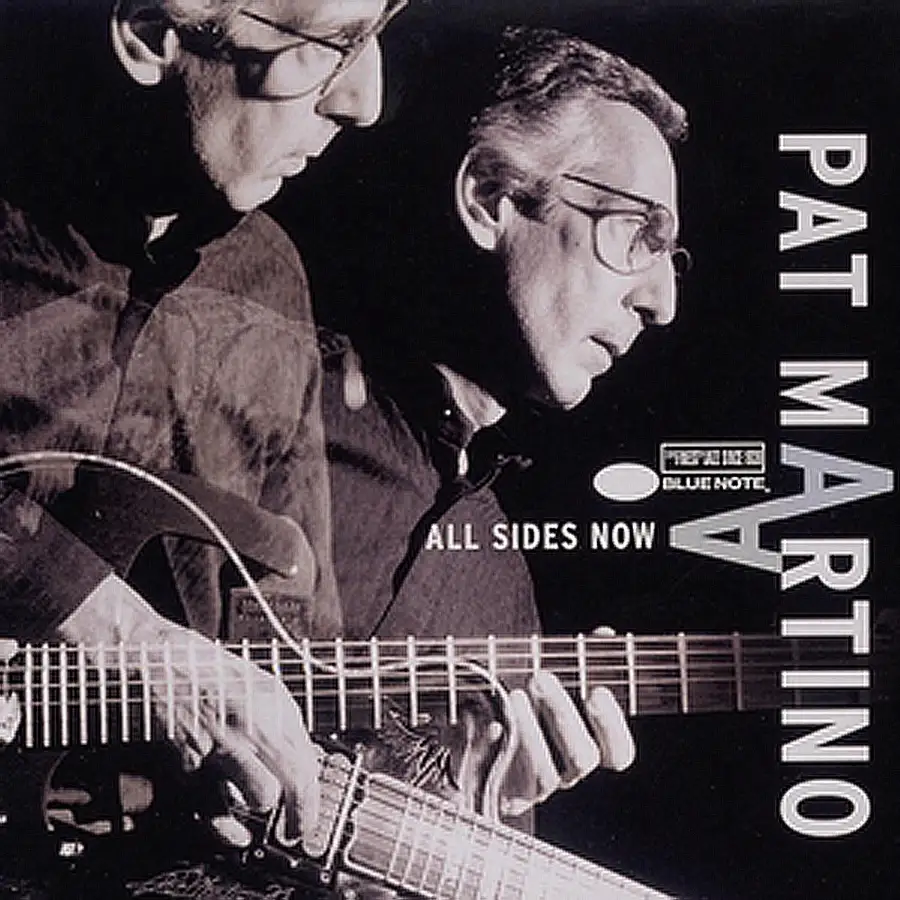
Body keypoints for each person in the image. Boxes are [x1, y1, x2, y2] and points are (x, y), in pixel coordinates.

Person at [0, 0, 405, 855]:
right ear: (151, 34)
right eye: (333, 43)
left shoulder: (271, 282)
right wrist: (127, 641)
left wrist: (432, 761)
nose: (364, 101)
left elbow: (295, 642)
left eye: (376, 36)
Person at [322, 24, 688, 820]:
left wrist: (475, 815)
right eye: (640, 234)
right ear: (492, 198)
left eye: (672, 257)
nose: (662, 302)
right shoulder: (259, 396)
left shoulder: (497, 586)